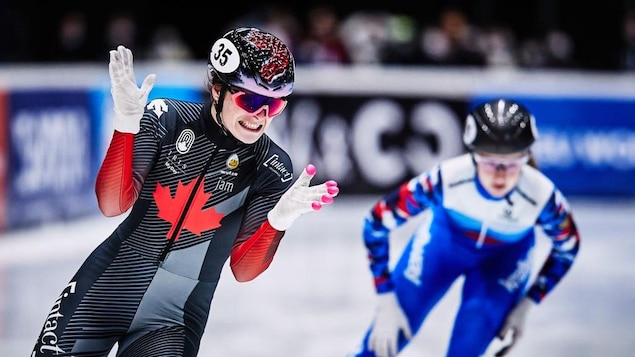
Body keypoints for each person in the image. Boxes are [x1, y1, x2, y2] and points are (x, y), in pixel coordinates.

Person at [31, 27, 339, 357]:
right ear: (218, 88)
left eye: (274, 105)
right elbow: (111, 204)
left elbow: (243, 270)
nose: (260, 115)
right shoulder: (169, 119)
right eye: (250, 99)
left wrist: (278, 221)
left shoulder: (271, 165)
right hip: (107, 289)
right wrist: (126, 126)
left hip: (173, 319)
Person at [347, 98, 580, 357]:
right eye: (490, 163)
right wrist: (385, 298)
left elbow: (568, 248)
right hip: (443, 247)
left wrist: (527, 304)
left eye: (513, 164)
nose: (500, 174)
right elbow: (376, 223)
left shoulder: (542, 197)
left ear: (527, 157)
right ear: (473, 156)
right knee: (375, 351)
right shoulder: (445, 180)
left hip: (504, 261)